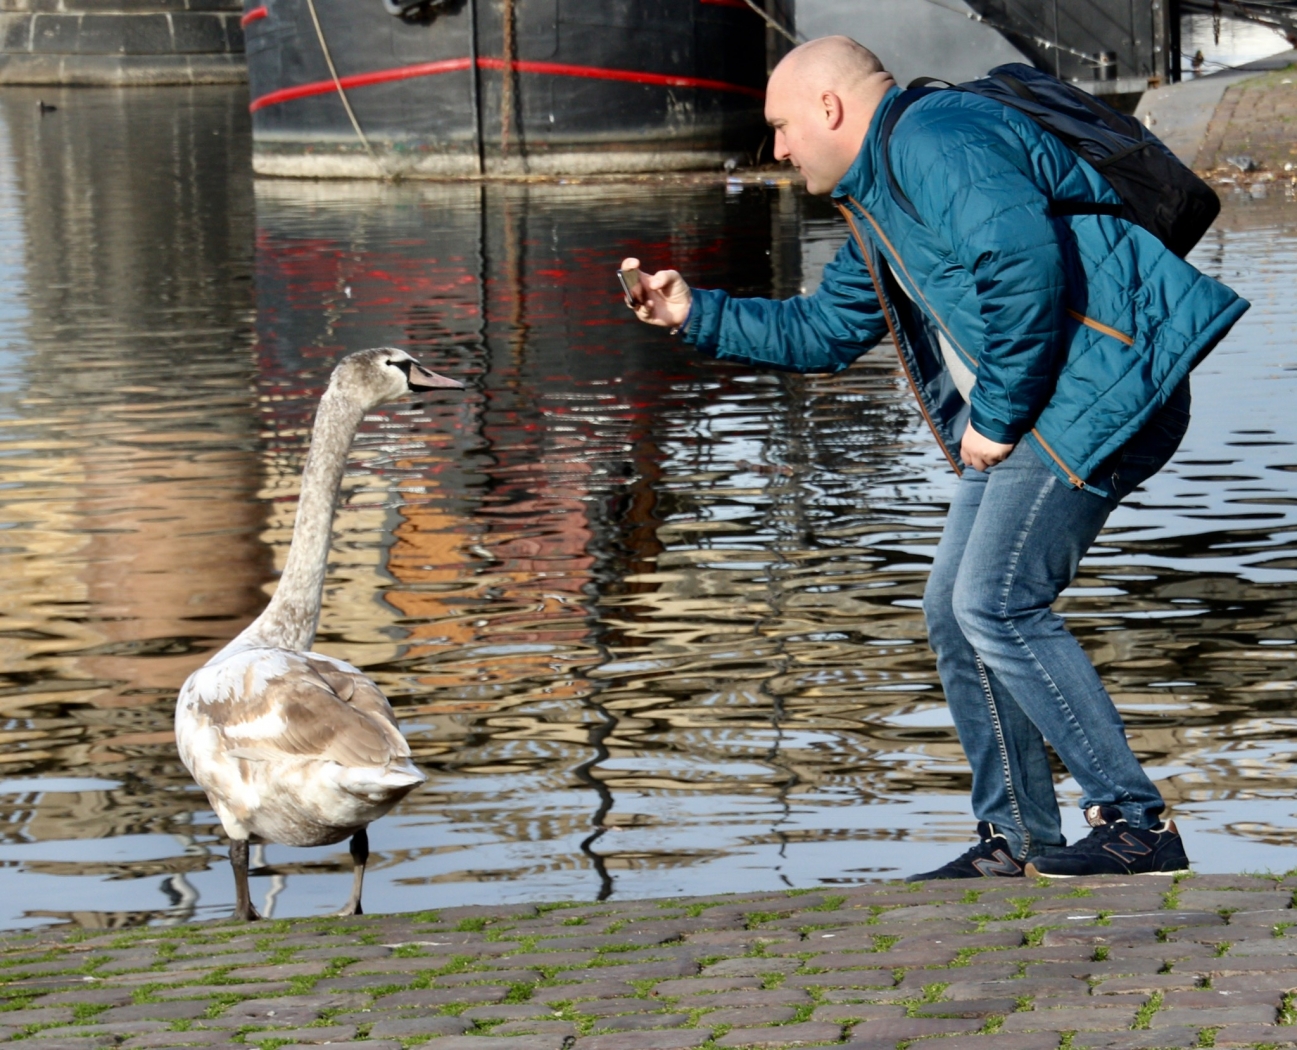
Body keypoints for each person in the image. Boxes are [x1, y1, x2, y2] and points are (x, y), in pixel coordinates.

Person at [622, 35, 1248, 880]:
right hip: (1051, 398)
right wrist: (696, 312)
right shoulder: (881, 195)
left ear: (830, 109)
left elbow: (1020, 264)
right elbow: (825, 332)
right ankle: (1018, 839)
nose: (776, 147)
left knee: (996, 599)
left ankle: (1136, 824)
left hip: (1093, 384)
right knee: (955, 610)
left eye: (780, 125)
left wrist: (991, 416)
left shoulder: (935, 137)